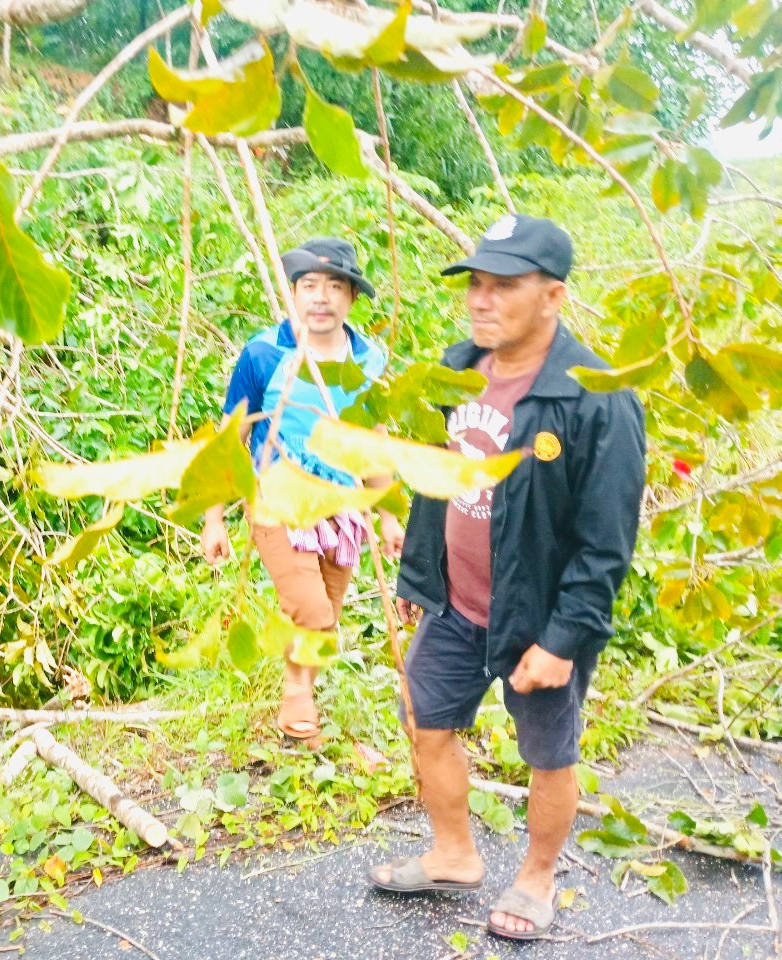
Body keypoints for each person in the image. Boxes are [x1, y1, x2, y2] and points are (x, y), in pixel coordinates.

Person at [369, 215, 646, 941]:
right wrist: (418, 576)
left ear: (552, 296)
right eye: (476, 286)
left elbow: (606, 543)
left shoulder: (596, 397)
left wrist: (562, 641)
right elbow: (437, 482)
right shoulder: (455, 372)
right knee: (425, 721)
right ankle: (454, 854)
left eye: (503, 287)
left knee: (547, 756)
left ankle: (536, 878)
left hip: (541, 619)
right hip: (455, 605)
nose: (480, 300)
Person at [201, 237, 404, 751]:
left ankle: (296, 726)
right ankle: (298, 704)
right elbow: (231, 438)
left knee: (325, 618)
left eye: (334, 287)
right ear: (293, 293)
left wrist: (388, 516)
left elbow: (371, 442)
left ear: (351, 299)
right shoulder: (266, 354)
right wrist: (214, 518)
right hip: (276, 500)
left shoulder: (368, 360)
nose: (321, 298)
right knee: (311, 611)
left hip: (341, 507)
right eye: (309, 286)